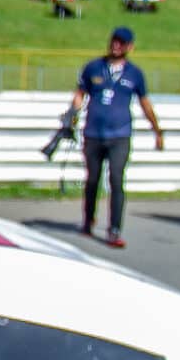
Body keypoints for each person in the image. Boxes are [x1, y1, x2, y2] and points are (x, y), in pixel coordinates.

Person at [70, 25, 164, 247]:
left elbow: (145, 102)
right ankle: (88, 219)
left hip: (120, 135)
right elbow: (80, 94)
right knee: (92, 179)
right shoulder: (93, 67)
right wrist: (73, 115)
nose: (116, 45)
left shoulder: (134, 73)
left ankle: (114, 228)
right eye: (114, 40)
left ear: (130, 46)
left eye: (121, 42)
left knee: (116, 179)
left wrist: (156, 129)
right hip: (93, 133)